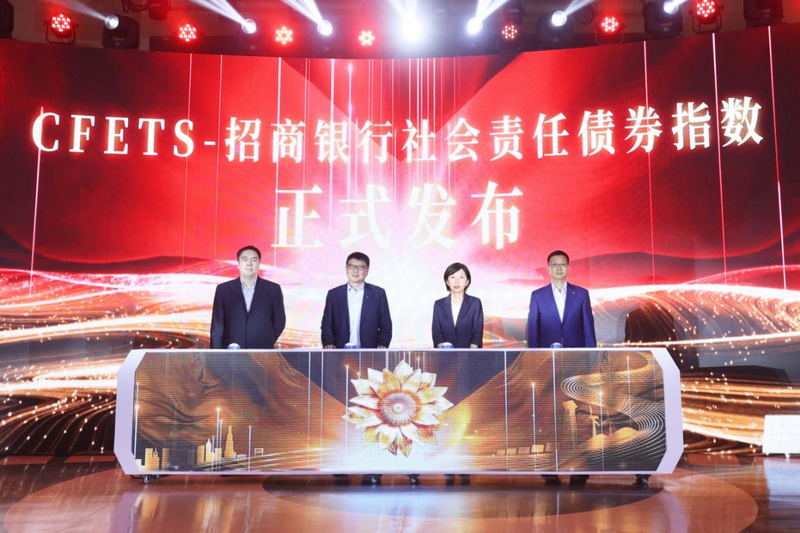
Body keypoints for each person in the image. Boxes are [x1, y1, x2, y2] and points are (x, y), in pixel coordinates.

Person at [527, 250, 597, 486]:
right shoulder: (538, 296)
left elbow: (588, 330)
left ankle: (580, 467)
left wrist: (591, 362)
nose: (558, 268)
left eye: (562, 264)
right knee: (550, 415)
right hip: (547, 366)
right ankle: (550, 467)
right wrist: (534, 363)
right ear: (548, 268)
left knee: (580, 414)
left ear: (568, 267)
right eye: (554, 264)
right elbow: (533, 332)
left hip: (577, 365)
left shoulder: (581, 294)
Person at [210, 245, 286, 349]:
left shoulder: (273, 289)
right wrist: (216, 354)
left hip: (262, 352)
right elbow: (217, 326)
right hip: (232, 351)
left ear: (259, 264)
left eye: (254, 260)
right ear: (238, 264)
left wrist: (266, 340)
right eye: (245, 259)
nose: (249, 263)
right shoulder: (223, 290)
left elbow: (279, 322)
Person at [321, 252, 392, 349]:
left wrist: (383, 344)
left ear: (367, 271)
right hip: (339, 350)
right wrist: (328, 342)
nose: (355, 270)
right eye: (352, 266)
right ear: (346, 269)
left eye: (360, 267)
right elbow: (326, 324)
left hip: (370, 351)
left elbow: (386, 324)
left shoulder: (378, 294)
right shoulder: (334, 294)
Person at [432, 262, 484, 348]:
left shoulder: (475, 303)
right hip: (445, 354)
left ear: (467, 282)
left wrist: (471, 353)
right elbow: (436, 333)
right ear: (447, 282)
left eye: (461, 277)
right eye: (452, 277)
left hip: (469, 354)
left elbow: (477, 333)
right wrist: (445, 350)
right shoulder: (439, 305)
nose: (456, 281)